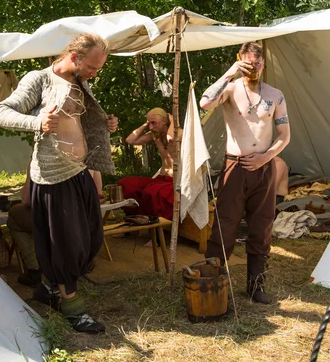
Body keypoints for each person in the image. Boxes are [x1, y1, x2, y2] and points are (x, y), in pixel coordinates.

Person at [0, 33, 118, 334]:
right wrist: (36, 122)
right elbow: (0, 112)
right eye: (92, 67)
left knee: (91, 237)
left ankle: (49, 287)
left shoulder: (80, 82)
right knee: (67, 243)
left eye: (98, 69)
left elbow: (77, 123)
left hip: (79, 172)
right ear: (74, 57)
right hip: (51, 177)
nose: (94, 73)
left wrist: (105, 125)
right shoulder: (39, 79)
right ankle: (72, 307)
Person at [200, 41, 291, 304]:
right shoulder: (229, 89)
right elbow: (205, 103)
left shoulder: (275, 95)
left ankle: (256, 286)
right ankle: (214, 282)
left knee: (262, 226)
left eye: (258, 63)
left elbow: (284, 135)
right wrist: (229, 72)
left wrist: (266, 156)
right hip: (235, 166)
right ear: (240, 59)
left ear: (264, 64)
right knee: (225, 225)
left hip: (264, 168)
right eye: (248, 62)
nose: (254, 68)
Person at [118, 108, 180, 222]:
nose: (151, 127)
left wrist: (173, 121)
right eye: (149, 123)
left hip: (175, 181)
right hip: (161, 179)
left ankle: (156, 232)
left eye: (154, 123)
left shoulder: (179, 132)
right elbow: (130, 140)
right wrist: (146, 124)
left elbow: (170, 138)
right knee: (126, 185)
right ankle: (133, 222)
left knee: (152, 191)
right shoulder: (154, 135)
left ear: (164, 122)